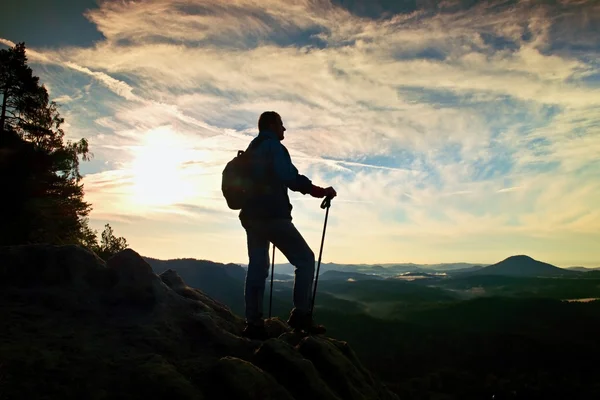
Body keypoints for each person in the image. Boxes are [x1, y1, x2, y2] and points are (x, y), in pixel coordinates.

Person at [240, 111, 337, 340]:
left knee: (257, 268)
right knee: (305, 259)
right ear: (273, 125)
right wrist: (321, 192)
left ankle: (253, 323)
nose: (284, 130)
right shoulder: (274, 147)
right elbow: (290, 178)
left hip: (251, 217)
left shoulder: (252, 149)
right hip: (273, 216)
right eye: (282, 125)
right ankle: (301, 315)